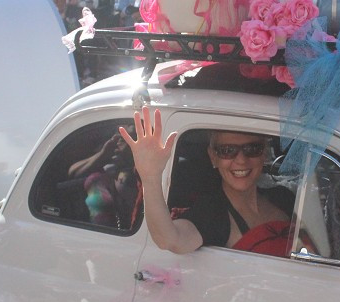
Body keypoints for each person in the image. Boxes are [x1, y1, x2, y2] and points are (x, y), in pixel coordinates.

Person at [119, 107, 295, 256]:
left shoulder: (284, 198)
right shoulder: (211, 213)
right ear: (213, 157)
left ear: (264, 153)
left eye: (252, 149)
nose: (241, 160)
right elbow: (170, 240)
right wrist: (150, 177)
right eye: (227, 150)